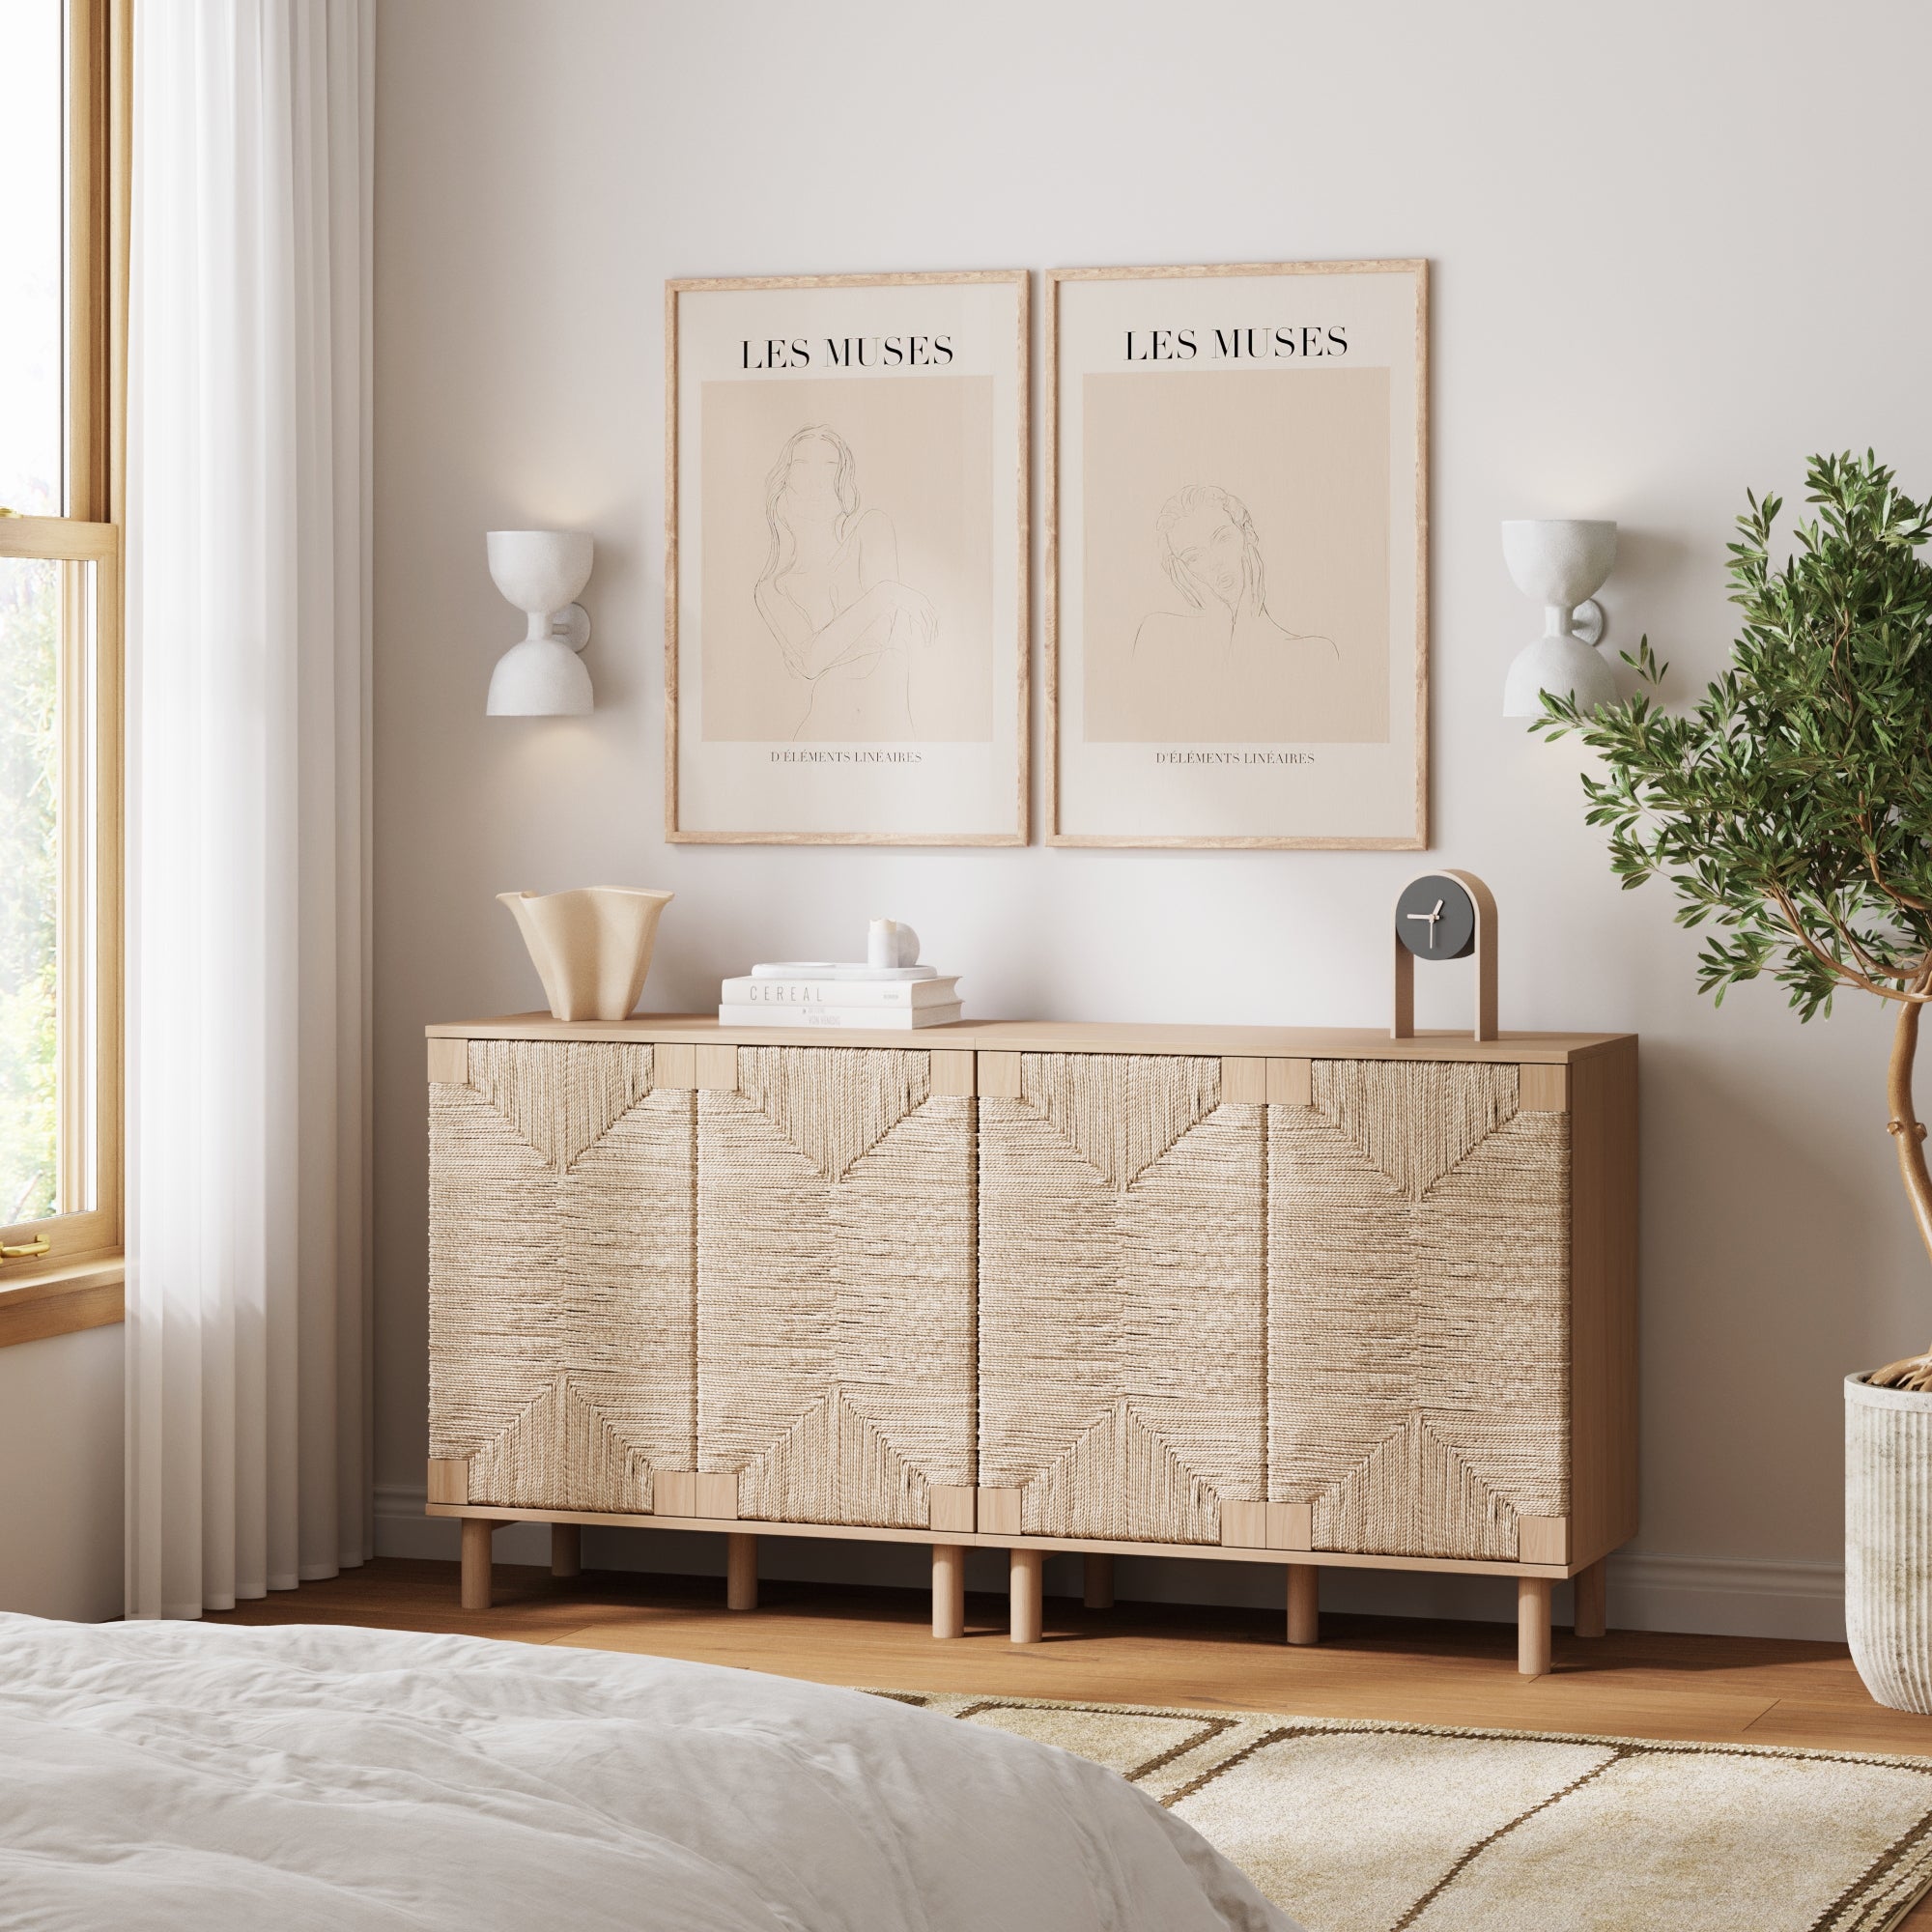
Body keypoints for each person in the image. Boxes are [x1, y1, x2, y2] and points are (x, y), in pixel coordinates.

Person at [1124, 483, 1350, 741]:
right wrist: (1218, 623)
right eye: (1193, 557)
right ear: (1179, 574)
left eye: (1222, 539)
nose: (1215, 562)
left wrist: (1247, 627)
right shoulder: (1156, 637)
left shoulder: (1315, 654)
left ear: (1248, 535)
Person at [753, 424, 936, 739]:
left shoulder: (871, 529)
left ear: (842, 476)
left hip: (890, 733)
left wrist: (827, 646)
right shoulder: (772, 587)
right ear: (786, 476)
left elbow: (883, 636)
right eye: (801, 464)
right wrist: (883, 596)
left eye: (829, 465)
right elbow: (811, 662)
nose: (815, 477)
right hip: (820, 736)